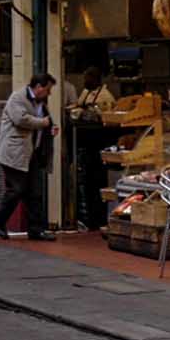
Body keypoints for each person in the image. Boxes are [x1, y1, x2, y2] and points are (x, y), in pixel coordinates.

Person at [0, 72, 57, 241]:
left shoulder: (41, 102)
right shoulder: (17, 98)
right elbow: (21, 119)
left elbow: (45, 121)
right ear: (39, 87)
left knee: (34, 192)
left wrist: (51, 128)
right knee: (16, 190)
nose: (49, 93)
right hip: (14, 153)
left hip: (31, 152)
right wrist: (43, 123)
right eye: (48, 89)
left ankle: (36, 229)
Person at [68, 67, 116, 232]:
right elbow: (78, 106)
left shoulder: (105, 96)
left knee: (97, 182)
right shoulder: (85, 92)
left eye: (88, 78)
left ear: (96, 79)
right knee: (87, 183)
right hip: (85, 144)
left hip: (98, 144)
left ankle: (98, 219)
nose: (85, 81)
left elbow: (106, 119)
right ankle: (88, 218)